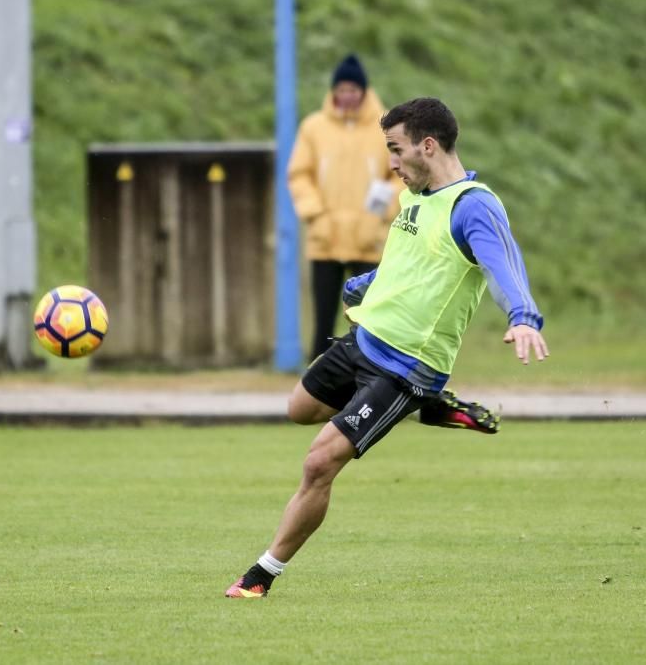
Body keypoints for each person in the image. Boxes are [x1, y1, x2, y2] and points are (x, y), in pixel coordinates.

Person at [226, 97, 549, 599]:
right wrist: (369, 284)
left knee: (318, 463)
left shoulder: (474, 207)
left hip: (405, 368)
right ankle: (430, 411)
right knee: (298, 409)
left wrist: (523, 316)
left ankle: (261, 575)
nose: (391, 164)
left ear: (428, 145)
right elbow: (412, 262)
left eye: (396, 151)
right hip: (363, 340)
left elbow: (503, 265)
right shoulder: (413, 197)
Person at [288, 54, 405, 361]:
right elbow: (300, 175)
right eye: (341, 89)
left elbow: (399, 175)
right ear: (333, 92)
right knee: (324, 319)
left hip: (369, 239)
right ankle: (316, 385)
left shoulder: (386, 126)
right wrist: (316, 215)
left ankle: (366, 378)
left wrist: (378, 214)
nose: (347, 96)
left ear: (364, 91)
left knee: (367, 319)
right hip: (325, 240)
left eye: (353, 89)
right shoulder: (313, 128)